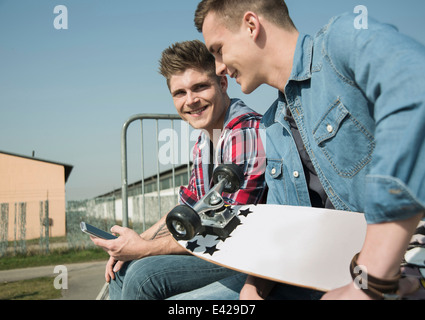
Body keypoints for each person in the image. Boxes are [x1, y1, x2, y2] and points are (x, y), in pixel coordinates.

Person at [189, 0, 425, 300]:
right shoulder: (271, 123)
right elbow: (281, 222)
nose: (219, 66)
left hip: (395, 272)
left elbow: (416, 90)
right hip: (314, 277)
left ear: (251, 26)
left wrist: (373, 278)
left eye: (219, 49)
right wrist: (254, 286)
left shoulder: (342, 39)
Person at [90, 39, 266, 299]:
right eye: (180, 93)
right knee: (123, 269)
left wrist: (144, 249)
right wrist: (134, 242)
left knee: (143, 276)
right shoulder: (203, 141)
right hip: (219, 248)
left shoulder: (243, 133)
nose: (191, 100)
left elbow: (228, 226)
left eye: (200, 87)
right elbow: (191, 206)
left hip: (248, 255)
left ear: (223, 83)